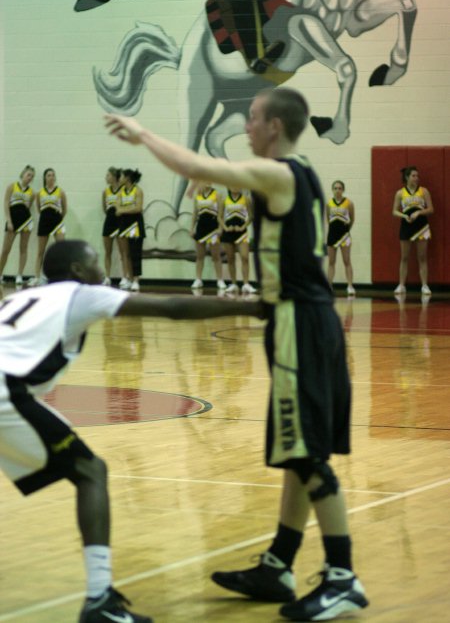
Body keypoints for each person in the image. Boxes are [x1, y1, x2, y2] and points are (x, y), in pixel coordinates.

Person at [104, 87, 369, 622]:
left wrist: (144, 133)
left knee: (307, 454)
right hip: (293, 319)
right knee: (297, 450)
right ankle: (279, 563)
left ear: (275, 127)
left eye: (252, 119)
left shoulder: (279, 173)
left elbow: (197, 164)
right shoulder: (304, 173)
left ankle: (343, 577)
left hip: (300, 324)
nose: (246, 127)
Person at [0, 239, 263, 623]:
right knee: (91, 472)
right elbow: (171, 308)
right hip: (6, 391)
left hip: (11, 389)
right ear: (77, 269)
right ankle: (99, 600)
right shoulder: (83, 294)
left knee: (89, 470)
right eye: (92, 259)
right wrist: (253, 307)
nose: (99, 266)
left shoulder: (23, 296)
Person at [392, 166, 434, 296]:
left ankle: (425, 285)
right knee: (404, 257)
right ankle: (401, 285)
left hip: (422, 226)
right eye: (413, 176)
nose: (416, 178)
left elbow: (431, 209)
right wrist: (405, 216)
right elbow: (394, 211)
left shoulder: (424, 191)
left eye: (417, 176)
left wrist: (419, 212)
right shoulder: (400, 193)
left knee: (422, 257)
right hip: (406, 226)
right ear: (407, 177)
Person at [28, 168, 67, 286]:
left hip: (57, 222)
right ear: (45, 178)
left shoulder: (60, 191)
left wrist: (58, 218)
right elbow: (39, 208)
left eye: (53, 175)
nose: (51, 177)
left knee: (61, 250)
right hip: (44, 221)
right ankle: (37, 277)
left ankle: (62, 276)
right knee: (41, 251)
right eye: (49, 175)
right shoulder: (39, 193)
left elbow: (64, 209)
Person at [0, 165, 36, 286]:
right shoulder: (12, 186)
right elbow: (6, 203)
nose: (30, 177)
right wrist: (9, 221)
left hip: (26, 221)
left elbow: (28, 207)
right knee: (5, 250)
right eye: (28, 175)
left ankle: (19, 275)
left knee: (23, 248)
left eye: (32, 176)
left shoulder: (32, 192)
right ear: (22, 175)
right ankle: (0, 274)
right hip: (12, 221)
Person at [219, 188, 257, 294]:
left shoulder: (246, 199)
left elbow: (251, 216)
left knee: (245, 257)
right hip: (228, 233)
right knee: (231, 259)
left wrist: (243, 227)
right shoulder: (224, 200)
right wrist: (225, 228)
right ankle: (234, 284)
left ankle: (246, 284)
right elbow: (219, 217)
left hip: (241, 233)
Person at [190, 183, 226, 291]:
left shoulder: (217, 194)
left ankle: (220, 280)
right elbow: (195, 213)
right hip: (201, 227)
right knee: (200, 255)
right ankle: (198, 279)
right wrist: (192, 228)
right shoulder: (198, 194)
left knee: (216, 256)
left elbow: (221, 213)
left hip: (213, 227)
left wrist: (220, 228)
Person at [116, 168, 145, 292]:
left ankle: (136, 280)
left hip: (135, 224)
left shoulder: (138, 191)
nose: (120, 179)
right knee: (125, 253)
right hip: (123, 224)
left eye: (122, 176)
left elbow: (138, 208)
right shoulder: (120, 192)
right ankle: (127, 278)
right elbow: (117, 210)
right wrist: (128, 208)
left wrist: (123, 209)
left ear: (127, 178)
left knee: (135, 253)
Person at [326, 180, 355, 296]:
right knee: (331, 262)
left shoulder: (349, 203)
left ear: (343, 190)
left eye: (340, 188)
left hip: (345, 236)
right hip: (332, 235)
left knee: (347, 260)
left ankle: (350, 286)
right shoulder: (329, 204)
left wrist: (346, 230)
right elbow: (328, 220)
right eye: (335, 188)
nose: (337, 190)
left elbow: (352, 219)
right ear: (332, 190)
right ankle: (329, 286)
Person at [101, 166, 124, 286]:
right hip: (109, 221)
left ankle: (125, 277)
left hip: (120, 222)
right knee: (107, 252)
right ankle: (107, 276)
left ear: (114, 177)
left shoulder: (123, 190)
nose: (106, 177)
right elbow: (104, 208)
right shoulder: (106, 191)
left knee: (123, 251)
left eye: (108, 175)